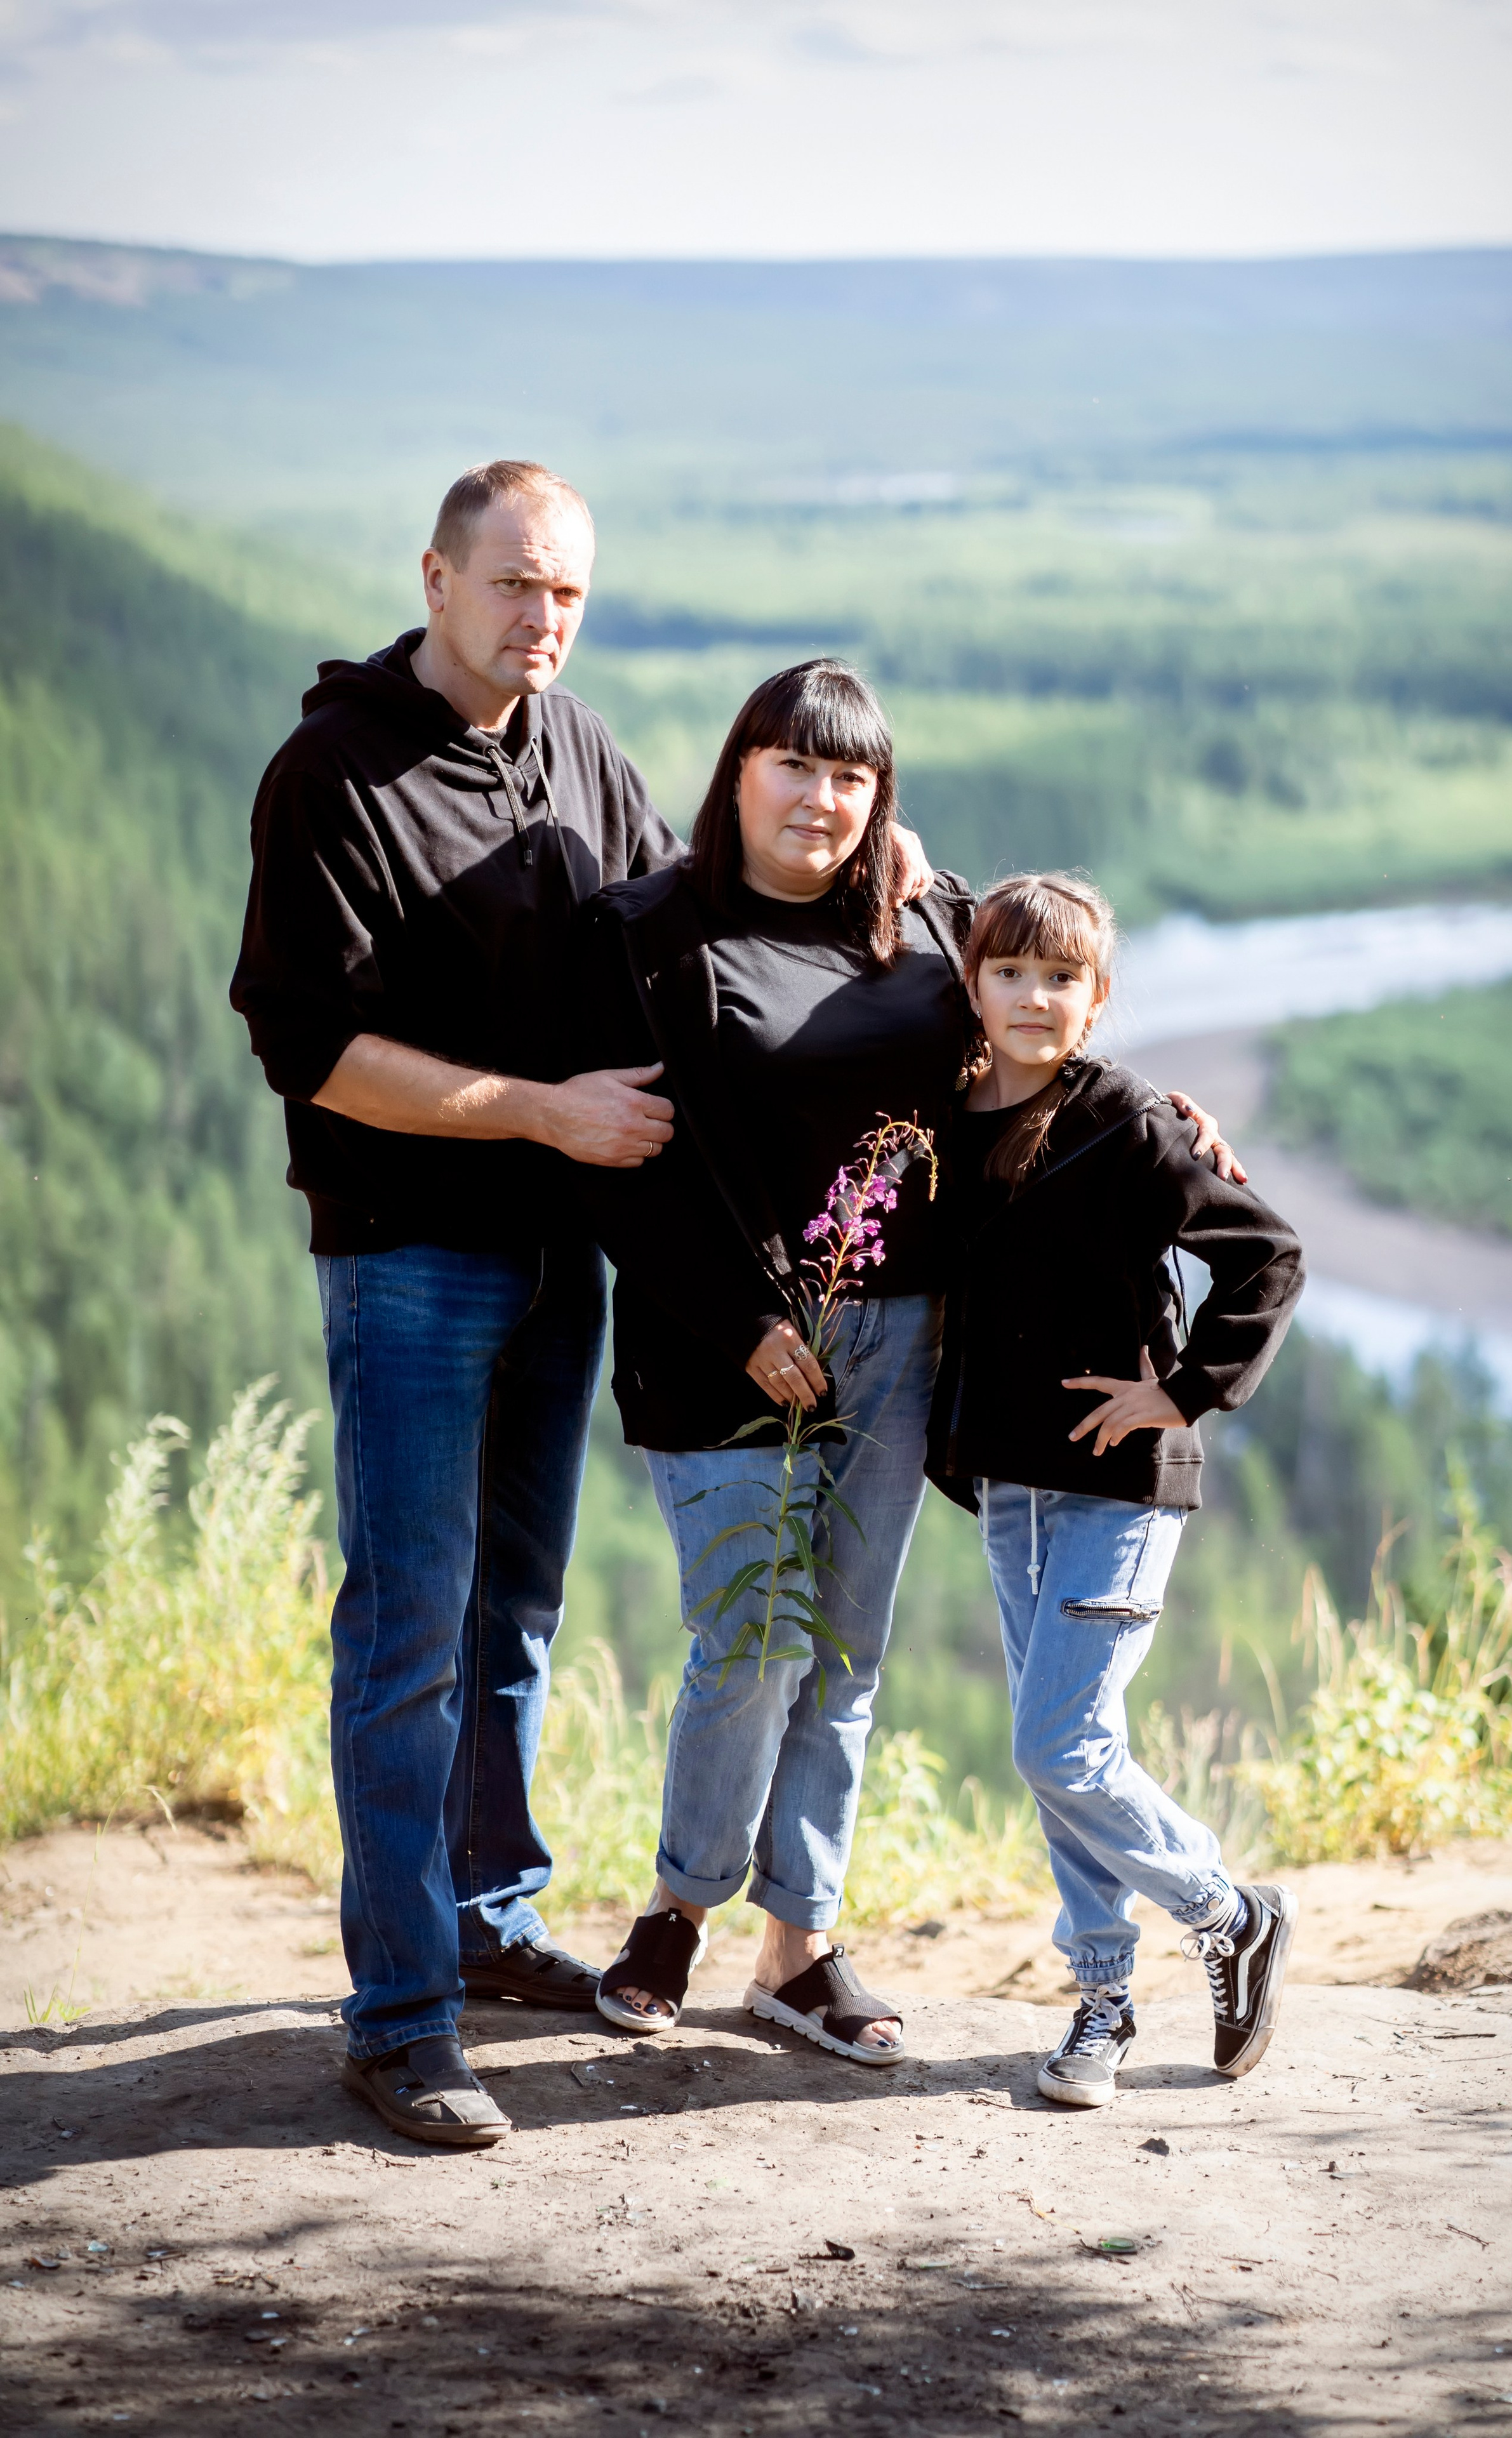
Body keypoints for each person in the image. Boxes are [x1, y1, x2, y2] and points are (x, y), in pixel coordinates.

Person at [232, 465, 938, 2148]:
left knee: (515, 1620)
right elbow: (310, 1049)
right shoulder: (334, 774)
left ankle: (483, 1923)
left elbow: (684, 906)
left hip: (566, 1261)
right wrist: (543, 1111)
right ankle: (400, 2015)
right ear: (435, 577)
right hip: (412, 1248)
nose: (541, 620)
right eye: (514, 587)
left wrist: (894, 869)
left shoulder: (581, 749)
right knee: (410, 1629)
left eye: (567, 595)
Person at [566, 667, 1240, 2065]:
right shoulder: (647, 931)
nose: (821, 800)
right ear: (736, 771)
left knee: (844, 1651)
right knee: (745, 1640)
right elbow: (620, 1168)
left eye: (851, 777)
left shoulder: (928, 918)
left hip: (901, 1336)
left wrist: (1166, 1119)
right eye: (791, 767)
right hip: (724, 1342)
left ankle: (796, 1949)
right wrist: (745, 1321)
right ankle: (679, 1908)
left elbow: (1042, 1011)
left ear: (882, 795)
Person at [927, 871, 1306, 2109]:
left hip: (1114, 1484)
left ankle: (1227, 1911)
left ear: (1097, 1000)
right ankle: (1102, 1999)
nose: (1033, 997)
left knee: (1057, 1741)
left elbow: (1265, 1255)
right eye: (1009, 972)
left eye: (1061, 979)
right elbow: (918, 885)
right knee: (1061, 1753)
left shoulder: (1131, 1123)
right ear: (971, 983)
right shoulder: (950, 1108)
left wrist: (1184, 1391)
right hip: (1009, 1485)